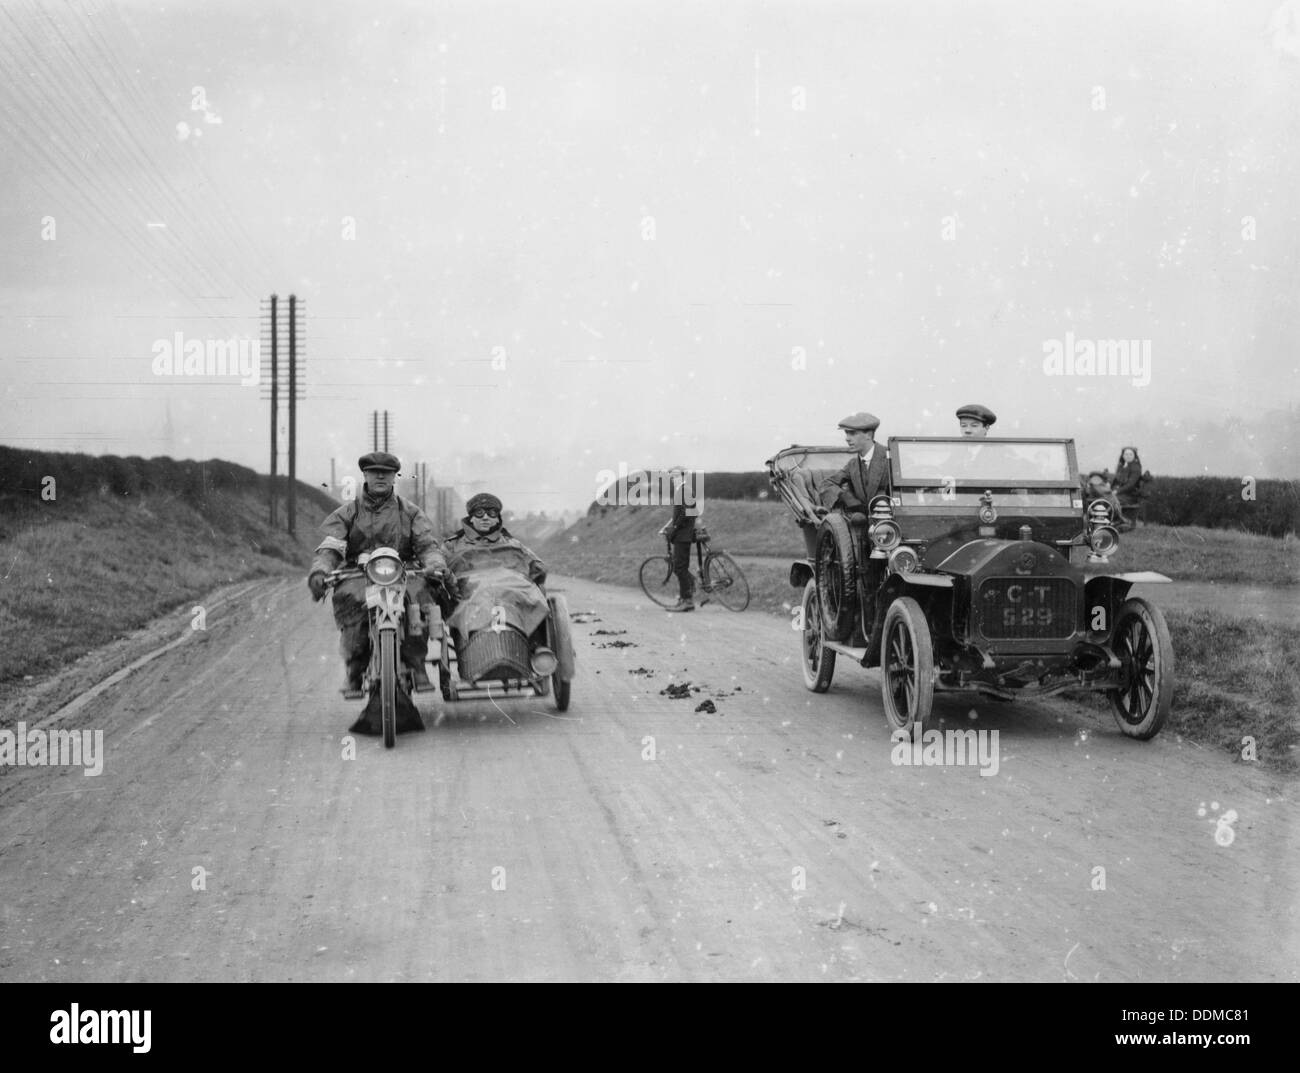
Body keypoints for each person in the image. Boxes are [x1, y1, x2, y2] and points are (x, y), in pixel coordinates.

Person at [307, 452, 450, 697]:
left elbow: (427, 545)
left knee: (419, 599)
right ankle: (355, 668)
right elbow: (331, 548)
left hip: (404, 570)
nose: (381, 477)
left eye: (387, 473)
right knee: (352, 602)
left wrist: (435, 564)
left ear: (395, 476)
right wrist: (321, 570)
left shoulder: (411, 512)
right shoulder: (347, 513)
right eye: (375, 472)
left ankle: (417, 664)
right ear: (365, 475)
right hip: (359, 572)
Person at [440, 492, 552, 679]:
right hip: (471, 590)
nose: (485, 517)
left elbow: (537, 567)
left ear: (498, 518)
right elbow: (438, 566)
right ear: (470, 517)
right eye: (479, 513)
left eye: (492, 513)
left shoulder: (512, 543)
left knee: (530, 597)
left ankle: (535, 646)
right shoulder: (452, 546)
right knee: (475, 599)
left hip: (511, 589)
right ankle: (473, 654)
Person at [832, 412, 889, 517]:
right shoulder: (852, 465)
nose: (847, 438)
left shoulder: (891, 459)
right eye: (846, 433)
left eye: (852, 433)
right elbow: (827, 483)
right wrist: (848, 498)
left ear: (868, 435)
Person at [658, 466, 698, 612]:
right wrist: (669, 526)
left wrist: (674, 529)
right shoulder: (683, 490)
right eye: (672, 477)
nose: (673, 480)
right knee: (679, 567)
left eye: (675, 477)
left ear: (683, 477)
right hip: (683, 534)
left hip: (683, 535)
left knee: (680, 568)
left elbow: (686, 513)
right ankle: (685, 595)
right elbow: (686, 513)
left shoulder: (684, 490)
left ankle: (687, 601)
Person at [1112, 446, 1146, 530]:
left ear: (1134, 456)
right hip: (1122, 493)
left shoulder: (1136, 468)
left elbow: (1131, 485)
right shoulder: (1122, 467)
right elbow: (1116, 481)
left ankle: (1121, 521)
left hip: (1131, 495)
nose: (1128, 456)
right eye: (1126, 454)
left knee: (1111, 499)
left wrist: (1117, 491)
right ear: (1123, 456)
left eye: (1131, 454)